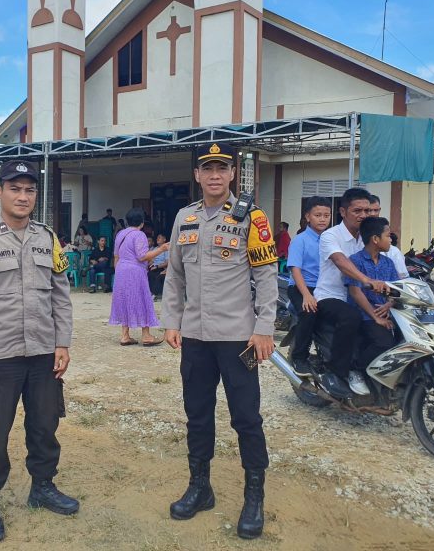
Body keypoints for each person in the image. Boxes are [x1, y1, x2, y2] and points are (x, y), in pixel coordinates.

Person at [161, 143, 278, 540]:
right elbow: (174, 274)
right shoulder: (185, 217)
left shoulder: (251, 217)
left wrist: (264, 328)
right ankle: (200, 487)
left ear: (233, 174)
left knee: (246, 417)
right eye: (207, 168)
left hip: (238, 339)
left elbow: (265, 276)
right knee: (197, 414)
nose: (214, 175)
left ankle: (254, 496)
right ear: (197, 174)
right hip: (195, 337)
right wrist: (171, 321)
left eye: (221, 168)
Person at [0, 159, 76, 544]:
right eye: (15, 189)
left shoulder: (48, 239)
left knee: (45, 425)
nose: (23, 196)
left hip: (43, 353)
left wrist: (62, 342)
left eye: (29, 190)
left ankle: (42, 486)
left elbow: (61, 295)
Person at [313, 188, 388, 398]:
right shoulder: (331, 235)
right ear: (343, 212)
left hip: (359, 296)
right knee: (350, 317)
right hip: (331, 295)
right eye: (357, 210)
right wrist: (366, 280)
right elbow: (340, 261)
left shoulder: (366, 237)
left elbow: (389, 257)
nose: (363, 215)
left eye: (366, 210)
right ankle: (338, 373)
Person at [344, 217, 399, 374]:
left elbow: (396, 289)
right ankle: (355, 370)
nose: (391, 239)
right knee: (384, 343)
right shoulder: (355, 261)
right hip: (364, 314)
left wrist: (390, 304)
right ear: (375, 239)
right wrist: (376, 318)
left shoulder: (388, 263)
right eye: (388, 236)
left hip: (387, 312)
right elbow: (355, 291)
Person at [108, 208, 168, 346]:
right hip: (135, 270)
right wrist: (161, 249)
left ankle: (125, 335)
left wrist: (118, 272)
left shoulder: (120, 234)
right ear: (142, 222)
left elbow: (116, 256)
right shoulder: (139, 235)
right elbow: (142, 257)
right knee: (141, 298)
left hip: (121, 269)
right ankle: (146, 335)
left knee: (125, 299)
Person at [286, 196, 331, 376]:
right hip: (301, 286)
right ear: (307, 217)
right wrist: (306, 295)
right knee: (309, 312)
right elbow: (295, 269)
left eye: (326, 215)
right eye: (317, 215)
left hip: (323, 287)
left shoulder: (330, 239)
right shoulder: (300, 240)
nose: (322, 219)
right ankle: (299, 357)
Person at [366, 196, 406, 278]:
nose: (373, 214)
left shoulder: (393, 252)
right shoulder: (357, 257)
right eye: (369, 210)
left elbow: (402, 278)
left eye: (376, 210)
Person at [148, 233, 169, 299]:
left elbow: (167, 262)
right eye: (157, 237)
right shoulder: (155, 249)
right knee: (147, 274)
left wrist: (157, 267)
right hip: (153, 267)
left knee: (155, 275)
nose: (157, 239)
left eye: (159, 237)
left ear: (164, 239)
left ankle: (155, 294)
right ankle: (149, 293)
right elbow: (152, 260)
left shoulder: (166, 248)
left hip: (162, 267)